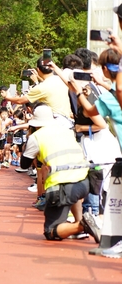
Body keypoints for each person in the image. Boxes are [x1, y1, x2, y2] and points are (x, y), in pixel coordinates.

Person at [20, 104, 100, 242]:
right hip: (84, 182)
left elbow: (24, 164)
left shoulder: (36, 137)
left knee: (51, 231)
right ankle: (79, 222)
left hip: (63, 186)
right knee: (73, 195)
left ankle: (83, 225)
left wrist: (27, 147)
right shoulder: (66, 130)